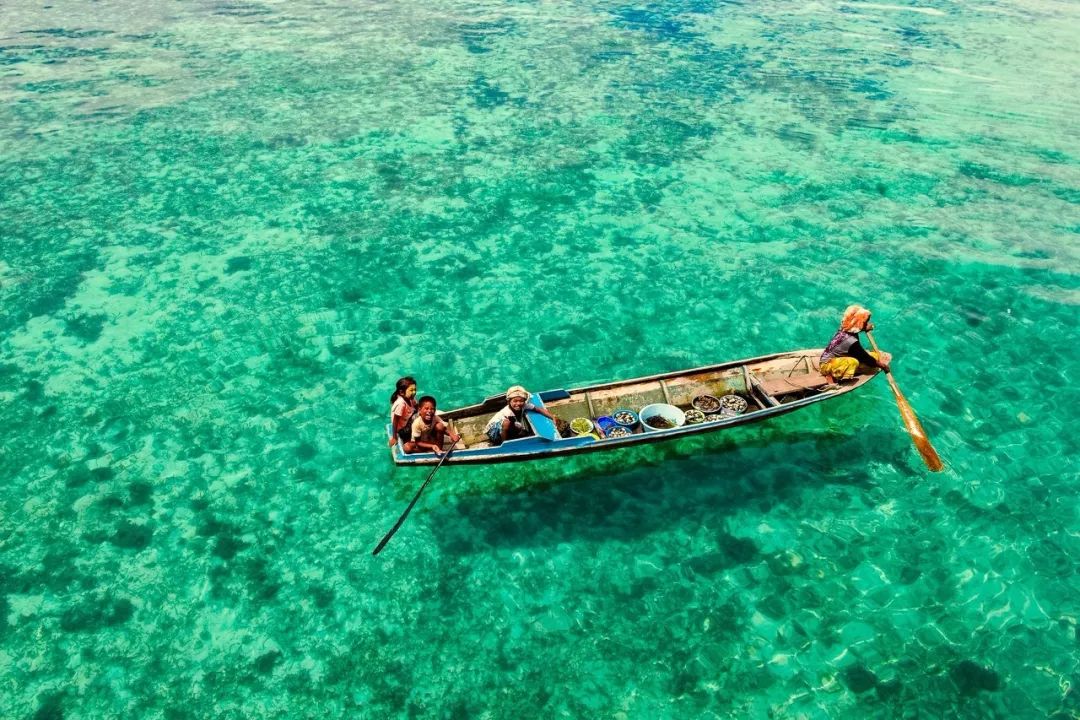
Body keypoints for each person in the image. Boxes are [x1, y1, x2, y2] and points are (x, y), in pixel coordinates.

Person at [819, 305, 892, 385]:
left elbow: (854, 328)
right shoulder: (851, 342)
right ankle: (833, 376)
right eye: (865, 323)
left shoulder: (844, 328)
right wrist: (883, 366)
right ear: (858, 324)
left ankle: (844, 370)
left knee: (875, 356)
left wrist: (865, 328)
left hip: (839, 358)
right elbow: (865, 358)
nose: (866, 324)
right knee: (854, 362)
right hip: (827, 365)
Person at [483, 385, 559, 446]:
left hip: (505, 426)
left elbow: (538, 409)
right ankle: (504, 443)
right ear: (509, 402)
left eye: (521, 401)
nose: (518, 404)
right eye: (515, 401)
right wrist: (505, 444)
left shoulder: (524, 405)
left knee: (519, 429)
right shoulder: (507, 413)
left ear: (524, 401)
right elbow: (508, 425)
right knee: (510, 425)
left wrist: (553, 417)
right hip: (494, 432)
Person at [388, 376, 419, 447]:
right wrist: (394, 437)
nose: (414, 392)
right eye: (411, 390)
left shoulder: (410, 398)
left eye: (415, 390)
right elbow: (395, 421)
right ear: (402, 392)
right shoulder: (401, 404)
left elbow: (417, 406)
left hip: (407, 421)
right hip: (402, 429)